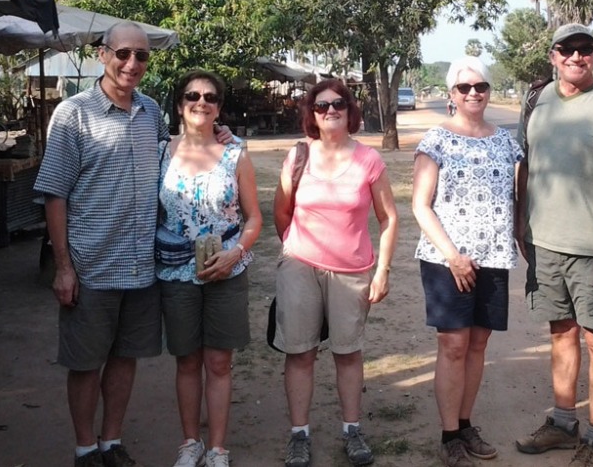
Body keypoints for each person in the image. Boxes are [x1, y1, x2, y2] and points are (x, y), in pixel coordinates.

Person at [34, 22, 166, 467]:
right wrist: (63, 267)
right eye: (123, 53)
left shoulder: (152, 112)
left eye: (141, 56)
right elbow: (54, 193)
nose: (132, 63)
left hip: (142, 267)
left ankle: (111, 441)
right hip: (92, 266)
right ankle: (85, 447)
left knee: (126, 357)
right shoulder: (73, 114)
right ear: (103, 54)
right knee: (86, 362)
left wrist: (219, 137)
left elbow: (173, 159)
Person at [514, 23, 593, 467]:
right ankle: (563, 422)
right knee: (561, 333)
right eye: (566, 49)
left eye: (585, 49)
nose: (576, 57)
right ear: (553, 56)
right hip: (545, 244)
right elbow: (527, 166)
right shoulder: (537, 101)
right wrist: (520, 224)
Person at [271, 78, 399, 467]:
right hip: (300, 266)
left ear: (350, 110)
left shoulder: (368, 160)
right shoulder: (298, 157)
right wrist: (296, 249)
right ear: (312, 114)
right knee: (300, 353)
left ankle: (352, 429)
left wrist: (382, 271)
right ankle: (299, 434)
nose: (330, 110)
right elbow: (282, 212)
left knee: (347, 352)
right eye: (322, 105)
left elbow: (388, 217)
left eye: (338, 104)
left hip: (352, 271)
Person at [411, 57, 524, 467]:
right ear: (451, 95)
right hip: (448, 261)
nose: (473, 93)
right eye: (464, 88)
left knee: (478, 343)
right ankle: (449, 436)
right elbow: (421, 205)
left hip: (493, 258)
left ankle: (465, 423)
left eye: (481, 86)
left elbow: (518, 200)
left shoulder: (506, 142)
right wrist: (453, 256)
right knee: (454, 344)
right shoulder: (437, 140)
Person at [157, 70, 262, 467]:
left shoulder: (236, 154)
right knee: (186, 360)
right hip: (175, 271)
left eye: (210, 97)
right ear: (179, 104)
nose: (201, 102)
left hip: (227, 270)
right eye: (192, 95)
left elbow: (254, 218)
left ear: (219, 108)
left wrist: (237, 253)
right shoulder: (162, 152)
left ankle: (217, 448)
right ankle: (190, 443)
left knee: (218, 362)